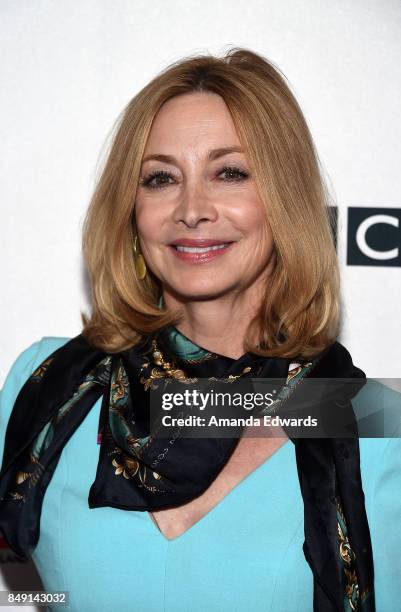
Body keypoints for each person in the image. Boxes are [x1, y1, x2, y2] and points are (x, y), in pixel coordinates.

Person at [0, 47, 400, 612]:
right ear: (132, 214)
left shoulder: (373, 422)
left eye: (229, 172)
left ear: (285, 203)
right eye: (161, 178)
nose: (192, 208)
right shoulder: (51, 386)